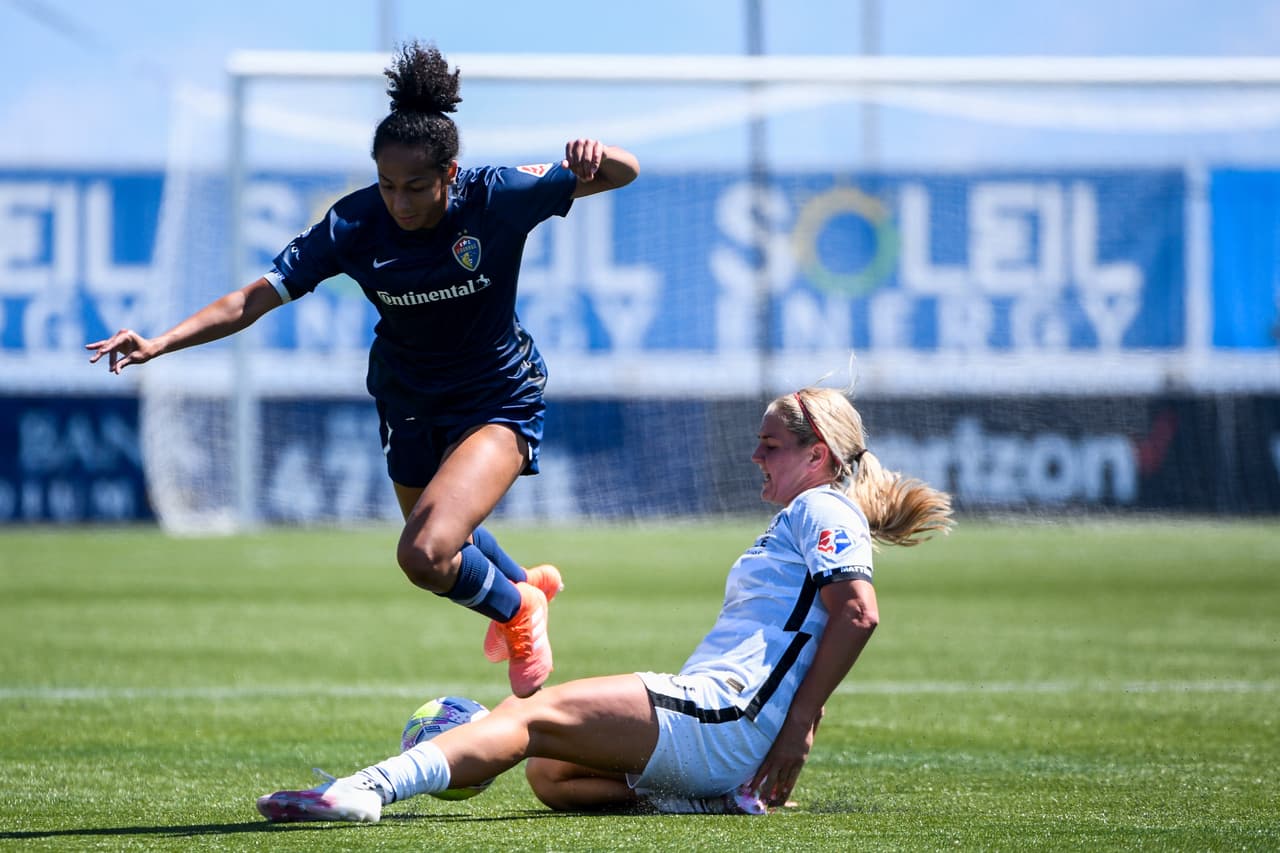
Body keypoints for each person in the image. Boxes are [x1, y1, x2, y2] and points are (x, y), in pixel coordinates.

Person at [85, 42, 640, 699]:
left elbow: (624, 172)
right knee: (440, 540)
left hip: (497, 397)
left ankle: (520, 613)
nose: (399, 202)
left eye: (414, 187)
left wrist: (595, 158)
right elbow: (251, 298)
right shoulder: (354, 223)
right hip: (406, 397)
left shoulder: (496, 196)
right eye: (386, 184)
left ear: (449, 174)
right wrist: (160, 341)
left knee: (424, 552)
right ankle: (523, 587)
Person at [255, 386, 954, 823]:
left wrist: (798, 723)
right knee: (550, 772)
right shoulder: (808, 511)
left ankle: (362, 789)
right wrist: (796, 718)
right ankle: (709, 796)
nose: (754, 456)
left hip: (724, 714)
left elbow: (857, 612)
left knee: (528, 713)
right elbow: (807, 636)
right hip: (729, 732)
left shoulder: (824, 504)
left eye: (769, 445)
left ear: (819, 454)